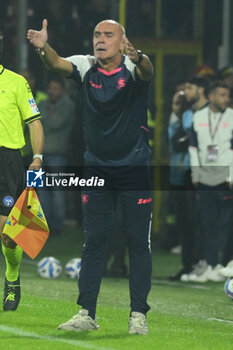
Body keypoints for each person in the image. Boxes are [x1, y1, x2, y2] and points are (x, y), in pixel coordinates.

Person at [28, 19, 153, 334]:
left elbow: (147, 71)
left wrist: (138, 56)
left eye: (108, 35)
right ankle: (87, 313)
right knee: (94, 241)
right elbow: (56, 62)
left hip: (134, 165)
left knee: (138, 242)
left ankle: (138, 314)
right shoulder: (86, 66)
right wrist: (44, 48)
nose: (101, 39)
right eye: (97, 34)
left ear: (122, 41)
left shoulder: (132, 66)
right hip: (95, 166)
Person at [0, 30, 44, 311]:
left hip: (6, 159)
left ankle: (12, 278)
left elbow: (35, 123)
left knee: (5, 232)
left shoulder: (16, 82)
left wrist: (37, 157)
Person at [189, 81, 233, 282]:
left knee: (226, 225)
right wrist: (195, 175)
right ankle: (211, 265)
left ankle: (224, 265)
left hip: (226, 178)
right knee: (208, 225)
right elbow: (193, 149)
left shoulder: (232, 117)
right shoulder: (198, 117)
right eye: (223, 95)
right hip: (205, 178)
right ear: (213, 96)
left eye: (228, 96)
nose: (227, 99)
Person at [38, 76, 76, 235]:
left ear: (62, 90)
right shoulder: (42, 104)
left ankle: (57, 225)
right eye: (50, 89)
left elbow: (55, 123)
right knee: (40, 190)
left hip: (57, 155)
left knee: (57, 190)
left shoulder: (68, 105)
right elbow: (31, 123)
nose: (51, 92)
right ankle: (43, 223)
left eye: (55, 89)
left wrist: (40, 120)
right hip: (38, 155)